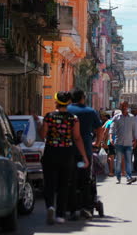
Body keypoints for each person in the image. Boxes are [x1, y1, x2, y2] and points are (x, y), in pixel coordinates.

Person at [40, 91, 89, 225]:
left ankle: (50, 206)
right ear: (67, 103)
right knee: (64, 185)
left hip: (51, 152)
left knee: (49, 183)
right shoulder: (73, 118)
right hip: (67, 154)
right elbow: (77, 138)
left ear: (56, 102)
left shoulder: (49, 117)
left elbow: (43, 135)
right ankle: (60, 215)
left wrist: (40, 126)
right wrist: (84, 157)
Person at [67, 88, 103, 219]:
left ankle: (70, 210)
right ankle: (86, 208)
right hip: (85, 153)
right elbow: (100, 130)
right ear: (83, 97)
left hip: (68, 152)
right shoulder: (90, 111)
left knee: (70, 180)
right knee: (86, 180)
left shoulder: (66, 111)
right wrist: (97, 143)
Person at [109, 101, 137, 184]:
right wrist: (111, 137)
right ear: (120, 107)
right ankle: (118, 177)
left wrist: (135, 140)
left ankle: (129, 177)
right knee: (118, 161)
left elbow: (134, 129)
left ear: (127, 107)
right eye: (122, 106)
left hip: (129, 143)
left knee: (128, 161)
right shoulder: (116, 117)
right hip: (119, 143)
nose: (124, 107)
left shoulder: (132, 117)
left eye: (125, 106)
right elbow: (112, 128)